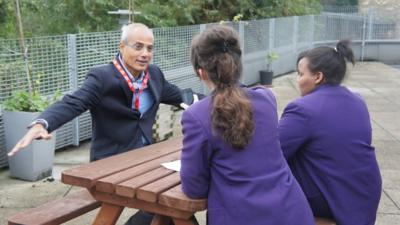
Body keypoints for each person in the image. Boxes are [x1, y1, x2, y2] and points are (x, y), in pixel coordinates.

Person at [7, 23, 196, 225]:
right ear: (122, 47)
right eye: (138, 46)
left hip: (145, 158)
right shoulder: (102, 77)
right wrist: (43, 123)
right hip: (111, 163)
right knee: (166, 204)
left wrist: (222, 100)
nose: (145, 54)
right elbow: (74, 102)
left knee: (176, 200)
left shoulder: (154, 75)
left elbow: (182, 98)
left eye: (150, 48)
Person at [180, 25, 315, 225]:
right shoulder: (266, 99)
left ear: (201, 73)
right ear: (238, 64)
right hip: (292, 212)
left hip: (242, 217)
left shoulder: (196, 115)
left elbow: (194, 188)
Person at [278, 40, 382, 225]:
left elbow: (274, 153)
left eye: (301, 74)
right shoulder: (358, 101)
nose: (298, 80)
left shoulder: (302, 109)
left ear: (318, 77)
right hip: (364, 194)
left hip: (332, 199)